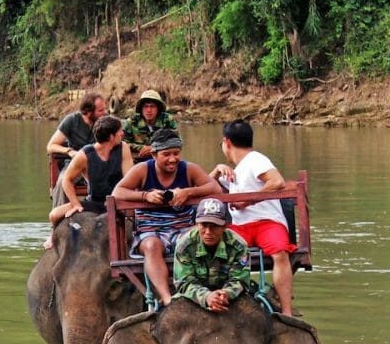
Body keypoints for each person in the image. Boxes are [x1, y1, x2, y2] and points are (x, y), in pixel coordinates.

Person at [109, 128, 221, 307]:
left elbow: (214, 187)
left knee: (198, 237)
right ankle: (167, 298)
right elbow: (117, 192)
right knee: (152, 246)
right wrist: (145, 196)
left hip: (183, 227)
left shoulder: (188, 169)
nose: (172, 159)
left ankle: (202, 289)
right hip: (151, 230)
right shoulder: (142, 170)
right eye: (166, 154)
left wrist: (187, 192)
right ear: (154, 154)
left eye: (176, 153)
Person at [209, 119, 296, 315]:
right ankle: (220, 299)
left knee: (280, 252)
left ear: (226, 142)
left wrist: (247, 201)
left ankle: (287, 311)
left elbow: (277, 182)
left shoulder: (256, 159)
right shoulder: (235, 169)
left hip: (267, 222)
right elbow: (206, 187)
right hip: (240, 226)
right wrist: (216, 171)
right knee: (216, 249)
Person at [173, 198, 252, 312]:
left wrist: (226, 294)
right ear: (197, 224)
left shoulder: (238, 245)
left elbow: (240, 280)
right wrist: (206, 297)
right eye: (203, 225)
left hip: (228, 297)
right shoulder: (184, 245)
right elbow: (184, 282)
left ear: (224, 226)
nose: (208, 232)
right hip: (194, 297)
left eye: (215, 226)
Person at [49, 115, 130, 225]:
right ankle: (56, 235)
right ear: (111, 137)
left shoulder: (123, 147)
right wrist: (76, 204)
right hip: (95, 202)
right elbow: (67, 179)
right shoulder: (84, 155)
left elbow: (129, 178)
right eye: (119, 131)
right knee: (54, 215)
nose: (122, 133)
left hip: (118, 201)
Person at [45, 92, 107, 208]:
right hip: (75, 164)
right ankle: (58, 215)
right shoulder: (72, 120)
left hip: (98, 164)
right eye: (100, 110)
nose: (104, 113)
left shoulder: (104, 122)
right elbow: (51, 146)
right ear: (89, 112)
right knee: (63, 180)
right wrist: (69, 151)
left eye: (104, 109)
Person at [122, 89, 179, 162]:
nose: (149, 110)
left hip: (163, 160)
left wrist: (153, 148)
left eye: (153, 106)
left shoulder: (167, 120)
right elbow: (122, 144)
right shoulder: (132, 122)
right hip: (136, 160)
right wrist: (141, 148)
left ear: (158, 108)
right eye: (146, 106)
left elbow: (177, 142)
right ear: (141, 109)